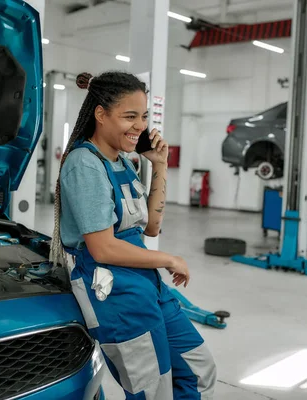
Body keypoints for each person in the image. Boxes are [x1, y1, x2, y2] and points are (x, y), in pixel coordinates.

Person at [49, 71, 217, 399]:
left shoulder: (125, 163)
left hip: (145, 282)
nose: (139, 125)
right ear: (100, 114)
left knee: (199, 369)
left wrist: (160, 164)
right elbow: (103, 248)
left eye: (143, 116)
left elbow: (151, 227)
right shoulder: (85, 164)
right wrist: (168, 258)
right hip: (112, 292)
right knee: (152, 390)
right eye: (129, 116)